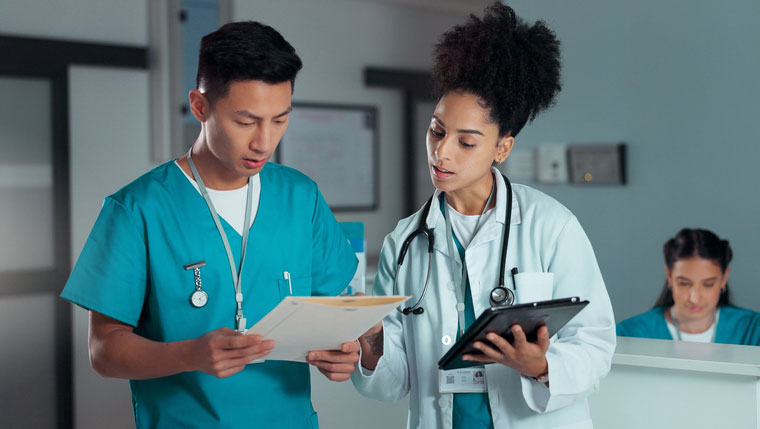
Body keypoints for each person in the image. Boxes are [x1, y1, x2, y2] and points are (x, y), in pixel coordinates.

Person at [60, 21, 360, 428]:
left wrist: (345, 351)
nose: (264, 142)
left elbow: (338, 308)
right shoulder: (137, 209)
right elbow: (104, 351)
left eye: (279, 120)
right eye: (245, 121)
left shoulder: (301, 197)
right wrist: (188, 354)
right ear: (200, 106)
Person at [351, 3, 616, 428]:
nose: (442, 152)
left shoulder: (551, 226)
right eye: (437, 130)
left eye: (467, 142)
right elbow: (393, 382)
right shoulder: (404, 242)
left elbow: (595, 344)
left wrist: (540, 366)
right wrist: (373, 344)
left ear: (501, 148)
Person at [617, 228, 760, 344]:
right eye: (684, 283)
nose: (695, 298)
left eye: (708, 284)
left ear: (724, 278)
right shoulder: (630, 335)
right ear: (669, 276)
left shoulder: (753, 329)